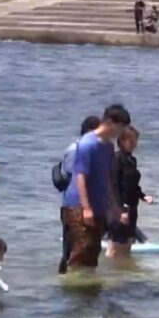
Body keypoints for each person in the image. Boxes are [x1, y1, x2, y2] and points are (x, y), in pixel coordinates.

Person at [61, 105, 131, 272]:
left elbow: (106, 179)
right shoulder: (87, 144)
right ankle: (72, 290)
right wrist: (86, 208)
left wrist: (114, 208)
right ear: (108, 122)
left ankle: (88, 293)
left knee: (93, 252)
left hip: (98, 206)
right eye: (120, 127)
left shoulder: (107, 147)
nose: (121, 133)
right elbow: (80, 176)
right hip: (77, 205)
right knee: (81, 250)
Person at [57, 115, 100, 274]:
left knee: (77, 248)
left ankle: (67, 281)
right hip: (74, 206)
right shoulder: (76, 150)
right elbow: (72, 177)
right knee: (74, 249)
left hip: (79, 205)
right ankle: (68, 283)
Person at [106, 125, 155, 259]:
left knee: (127, 247)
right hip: (120, 209)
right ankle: (111, 277)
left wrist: (143, 196)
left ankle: (123, 277)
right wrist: (120, 210)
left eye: (136, 141)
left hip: (132, 208)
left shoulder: (131, 160)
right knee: (115, 248)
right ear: (122, 140)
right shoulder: (116, 158)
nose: (135, 144)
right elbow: (114, 185)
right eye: (131, 141)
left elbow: (133, 185)